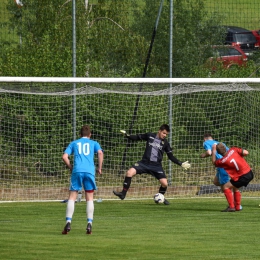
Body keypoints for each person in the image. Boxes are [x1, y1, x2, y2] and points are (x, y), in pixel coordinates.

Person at [113, 124, 191, 205]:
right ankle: (123, 194)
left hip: (156, 166)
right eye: (164, 133)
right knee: (129, 173)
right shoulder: (150, 136)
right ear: (159, 131)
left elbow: (171, 157)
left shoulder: (165, 143)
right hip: (144, 163)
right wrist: (127, 135)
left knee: (164, 184)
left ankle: (161, 197)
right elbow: (137, 137)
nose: (165, 135)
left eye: (166, 134)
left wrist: (180, 163)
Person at [62, 125, 103, 235]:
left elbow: (64, 156)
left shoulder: (74, 143)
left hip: (77, 171)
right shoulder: (94, 143)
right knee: (89, 197)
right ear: (90, 135)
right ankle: (89, 224)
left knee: (72, 196)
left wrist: (71, 167)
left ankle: (68, 222)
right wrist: (99, 168)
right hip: (89, 171)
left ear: (80, 135)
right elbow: (100, 153)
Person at [200, 132, 243, 210]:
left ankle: (235, 205)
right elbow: (229, 152)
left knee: (225, 186)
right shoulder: (220, 143)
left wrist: (203, 155)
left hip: (222, 164)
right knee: (216, 182)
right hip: (228, 163)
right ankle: (235, 200)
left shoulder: (206, 143)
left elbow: (209, 152)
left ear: (204, 139)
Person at [212, 143, 254, 212]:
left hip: (242, 176)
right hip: (249, 173)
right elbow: (246, 152)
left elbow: (214, 162)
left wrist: (213, 151)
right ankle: (237, 207)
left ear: (218, 152)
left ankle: (231, 207)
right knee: (235, 186)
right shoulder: (233, 150)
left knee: (225, 186)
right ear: (225, 148)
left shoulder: (222, 161)